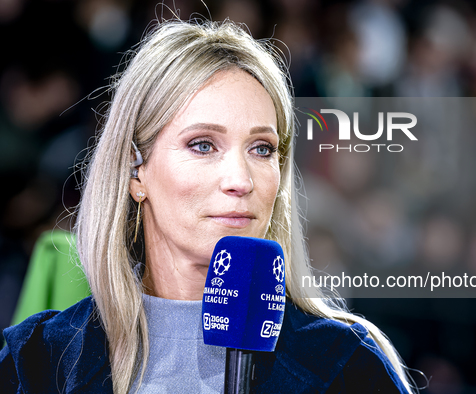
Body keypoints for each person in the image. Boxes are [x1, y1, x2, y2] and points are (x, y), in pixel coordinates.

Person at [0, 19, 413, 394]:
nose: (240, 180)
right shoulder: (36, 361)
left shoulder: (348, 364)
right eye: (203, 145)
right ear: (134, 171)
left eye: (262, 148)